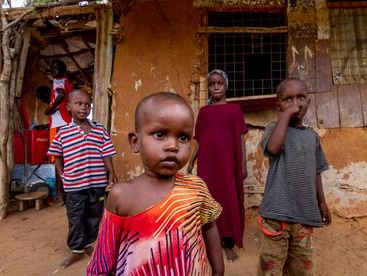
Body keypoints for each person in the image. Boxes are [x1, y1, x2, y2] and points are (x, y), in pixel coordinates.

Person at [86, 92, 224, 276]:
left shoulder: (196, 187)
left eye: (183, 138)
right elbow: (103, 259)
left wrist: (218, 270)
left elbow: (209, 227)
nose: (173, 146)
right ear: (135, 142)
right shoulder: (122, 195)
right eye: (160, 135)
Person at [258, 78, 332, 276]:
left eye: (300, 98)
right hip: (276, 214)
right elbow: (273, 149)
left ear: (308, 102)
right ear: (278, 106)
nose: (295, 104)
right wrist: (284, 117)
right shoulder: (273, 129)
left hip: (304, 215)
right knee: (270, 267)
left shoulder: (312, 137)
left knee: (301, 268)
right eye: (287, 100)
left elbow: (316, 171)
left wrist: (322, 203)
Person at [47, 89, 117, 268]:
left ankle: (88, 244)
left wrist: (112, 174)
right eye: (79, 104)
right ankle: (76, 250)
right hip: (74, 185)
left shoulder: (99, 129)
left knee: (94, 215)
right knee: (76, 216)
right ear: (69, 107)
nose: (84, 107)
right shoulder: (63, 132)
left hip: (97, 183)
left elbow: (107, 154)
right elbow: (57, 156)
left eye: (87, 104)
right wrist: (63, 175)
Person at [187, 69, 248, 262]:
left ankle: (228, 244)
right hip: (207, 165)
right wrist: (191, 161)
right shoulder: (204, 113)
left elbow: (240, 139)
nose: (215, 86)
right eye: (212, 84)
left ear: (226, 85)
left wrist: (243, 165)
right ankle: (208, 241)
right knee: (207, 201)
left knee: (228, 201)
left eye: (219, 83)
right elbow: (200, 140)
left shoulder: (234, 110)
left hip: (228, 165)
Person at [45, 60, 73, 204]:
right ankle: (65, 194)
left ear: (63, 70)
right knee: (64, 159)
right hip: (61, 122)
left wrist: (52, 109)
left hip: (60, 123)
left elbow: (61, 94)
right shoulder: (64, 81)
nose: (53, 71)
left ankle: (64, 194)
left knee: (59, 159)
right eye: (52, 69)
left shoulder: (59, 81)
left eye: (56, 68)